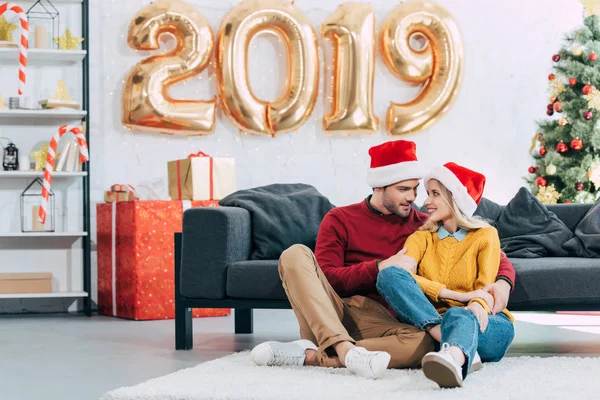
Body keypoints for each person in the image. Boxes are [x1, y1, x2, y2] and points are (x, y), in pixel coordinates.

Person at [251, 140, 515, 380]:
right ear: (379, 186)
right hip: (333, 311)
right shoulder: (340, 219)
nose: (414, 198)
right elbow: (328, 278)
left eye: (415, 189)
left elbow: (485, 249)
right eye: (404, 189)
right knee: (294, 253)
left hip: (385, 322)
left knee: (425, 343)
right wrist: (379, 267)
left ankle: (314, 355)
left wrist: (502, 283)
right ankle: (341, 348)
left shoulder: (424, 224)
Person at [376, 162, 514, 388]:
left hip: (482, 321)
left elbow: (485, 287)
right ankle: (452, 346)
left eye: (434, 194)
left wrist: (477, 303)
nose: (425, 201)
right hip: (435, 318)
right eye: (428, 194)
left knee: (460, 316)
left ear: (455, 197)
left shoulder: (485, 235)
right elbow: (400, 275)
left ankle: (450, 356)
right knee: (388, 273)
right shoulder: (421, 237)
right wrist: (454, 295)